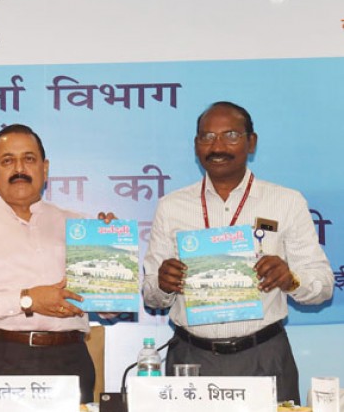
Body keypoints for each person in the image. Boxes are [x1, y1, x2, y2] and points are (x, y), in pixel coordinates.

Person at [142, 101, 333, 403]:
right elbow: (151, 296)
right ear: (196, 145)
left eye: (230, 135)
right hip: (191, 360)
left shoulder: (286, 202)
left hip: (263, 356)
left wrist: (291, 279)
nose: (217, 146)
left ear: (251, 142)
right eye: (207, 137)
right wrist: (163, 285)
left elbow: (323, 286)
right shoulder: (171, 207)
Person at [0, 123, 111, 404]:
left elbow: (110, 308)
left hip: (68, 359)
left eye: (29, 159)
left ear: (45, 168)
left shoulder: (80, 227)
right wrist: (26, 300)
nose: (19, 169)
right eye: (8, 161)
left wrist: (113, 253)